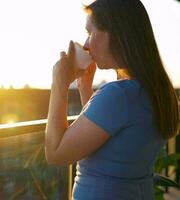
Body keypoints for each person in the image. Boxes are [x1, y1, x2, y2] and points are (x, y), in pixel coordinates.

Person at [44, 0, 179, 199]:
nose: (87, 44)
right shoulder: (152, 92)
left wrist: (59, 83)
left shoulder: (118, 94)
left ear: (116, 34)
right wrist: (85, 88)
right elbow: (107, 137)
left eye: (91, 33)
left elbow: (56, 154)